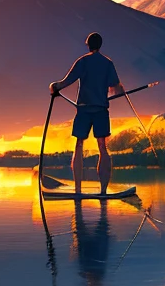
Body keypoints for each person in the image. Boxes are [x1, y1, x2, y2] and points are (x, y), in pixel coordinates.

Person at [49, 33, 124, 195]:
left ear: (88, 44)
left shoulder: (82, 61)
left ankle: (77, 190)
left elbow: (65, 82)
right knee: (102, 147)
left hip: (83, 110)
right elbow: (116, 87)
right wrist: (120, 89)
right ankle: (103, 191)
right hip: (101, 110)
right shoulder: (107, 63)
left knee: (79, 145)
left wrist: (54, 86)